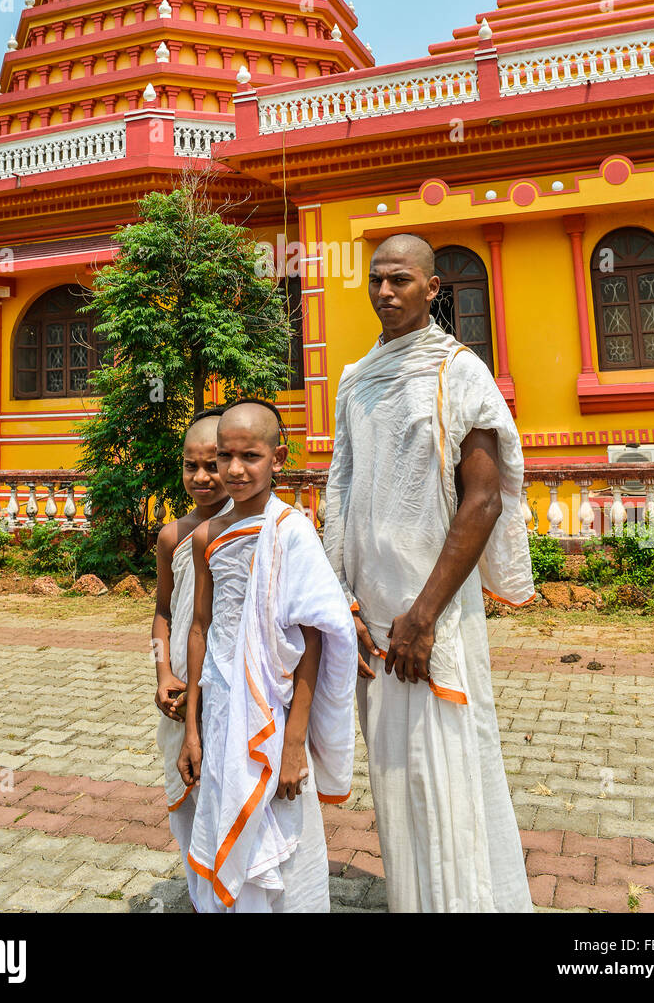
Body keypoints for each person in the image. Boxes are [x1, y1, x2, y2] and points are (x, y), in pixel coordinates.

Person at [323, 233, 536, 913]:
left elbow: (482, 498)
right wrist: (343, 602)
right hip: (372, 612)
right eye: (376, 280)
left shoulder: (457, 372)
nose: (385, 292)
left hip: (431, 611)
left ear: (431, 289)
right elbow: (341, 490)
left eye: (401, 281)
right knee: (394, 772)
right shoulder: (356, 378)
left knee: (446, 765)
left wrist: (423, 615)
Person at [177, 399, 357, 913]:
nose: (234, 470)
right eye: (223, 457)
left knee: (281, 834)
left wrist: (295, 745)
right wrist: (191, 727)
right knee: (221, 803)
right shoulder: (207, 536)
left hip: (273, 714)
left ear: (277, 459)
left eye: (249, 456)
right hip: (217, 706)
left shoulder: (292, 531)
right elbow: (199, 627)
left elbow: (316, 637)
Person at [152, 409, 231, 905]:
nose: (201, 478)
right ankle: (204, 891)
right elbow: (163, 614)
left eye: (211, 465)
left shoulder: (258, 526)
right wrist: (163, 672)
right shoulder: (172, 536)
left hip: (232, 687)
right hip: (184, 687)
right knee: (192, 788)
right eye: (189, 466)